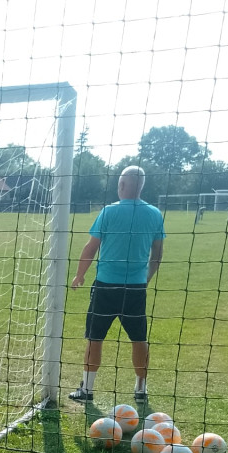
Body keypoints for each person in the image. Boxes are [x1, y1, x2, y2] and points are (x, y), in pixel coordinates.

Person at [68, 166, 165, 404]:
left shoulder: (109, 211)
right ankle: (141, 390)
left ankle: (87, 390)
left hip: (105, 287)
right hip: (135, 289)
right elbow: (157, 254)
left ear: (121, 185)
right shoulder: (154, 214)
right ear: (142, 186)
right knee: (139, 338)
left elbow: (90, 248)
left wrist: (79, 275)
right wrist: (145, 278)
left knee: (95, 338)